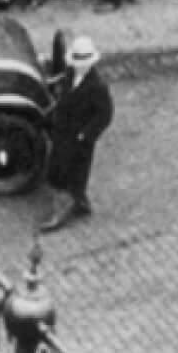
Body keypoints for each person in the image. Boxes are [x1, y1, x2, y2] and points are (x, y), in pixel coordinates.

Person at [39, 36, 114, 228]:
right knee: (60, 168)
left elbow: (104, 115)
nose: (79, 66)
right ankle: (79, 203)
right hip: (63, 132)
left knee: (71, 173)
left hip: (79, 139)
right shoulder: (71, 74)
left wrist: (86, 134)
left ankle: (61, 212)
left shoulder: (97, 87)